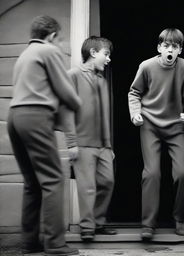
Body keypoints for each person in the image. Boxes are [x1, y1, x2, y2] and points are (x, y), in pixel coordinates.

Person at [7, 15, 81, 255]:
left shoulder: (25, 55)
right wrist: (78, 103)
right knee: (52, 180)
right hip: (35, 116)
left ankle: (29, 242)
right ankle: (55, 243)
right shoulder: (48, 51)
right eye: (60, 39)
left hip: (15, 117)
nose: (60, 45)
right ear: (51, 36)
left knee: (32, 183)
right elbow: (66, 91)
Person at [128, 28, 184, 240]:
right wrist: (135, 113)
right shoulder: (147, 66)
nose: (170, 50)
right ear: (159, 48)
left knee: (182, 172)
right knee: (151, 174)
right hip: (150, 124)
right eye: (166, 46)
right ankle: (148, 224)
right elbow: (134, 92)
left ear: (180, 50)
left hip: (175, 126)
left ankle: (180, 219)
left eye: (175, 47)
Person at [64, 36, 117, 241]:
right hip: (82, 143)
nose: (108, 59)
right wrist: (71, 143)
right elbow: (67, 111)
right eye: (106, 54)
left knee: (107, 181)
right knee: (87, 187)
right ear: (93, 53)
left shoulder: (102, 82)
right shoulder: (73, 75)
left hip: (102, 145)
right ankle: (87, 227)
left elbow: (105, 115)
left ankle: (98, 222)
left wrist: (109, 145)